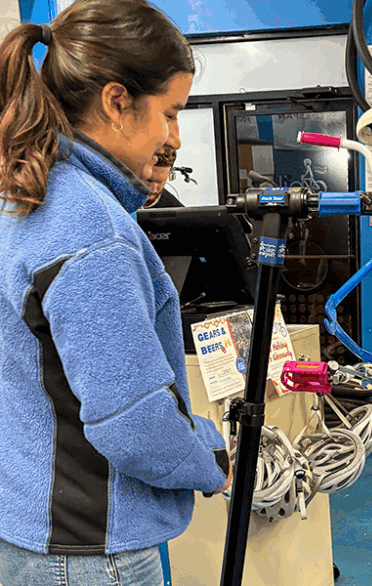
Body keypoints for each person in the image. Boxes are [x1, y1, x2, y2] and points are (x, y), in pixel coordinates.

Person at [0, 2, 231, 585]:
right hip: (87, 554)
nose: (174, 136)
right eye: (171, 113)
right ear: (117, 102)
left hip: (27, 525)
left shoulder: (24, 194)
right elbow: (134, 424)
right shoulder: (89, 227)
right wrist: (211, 457)